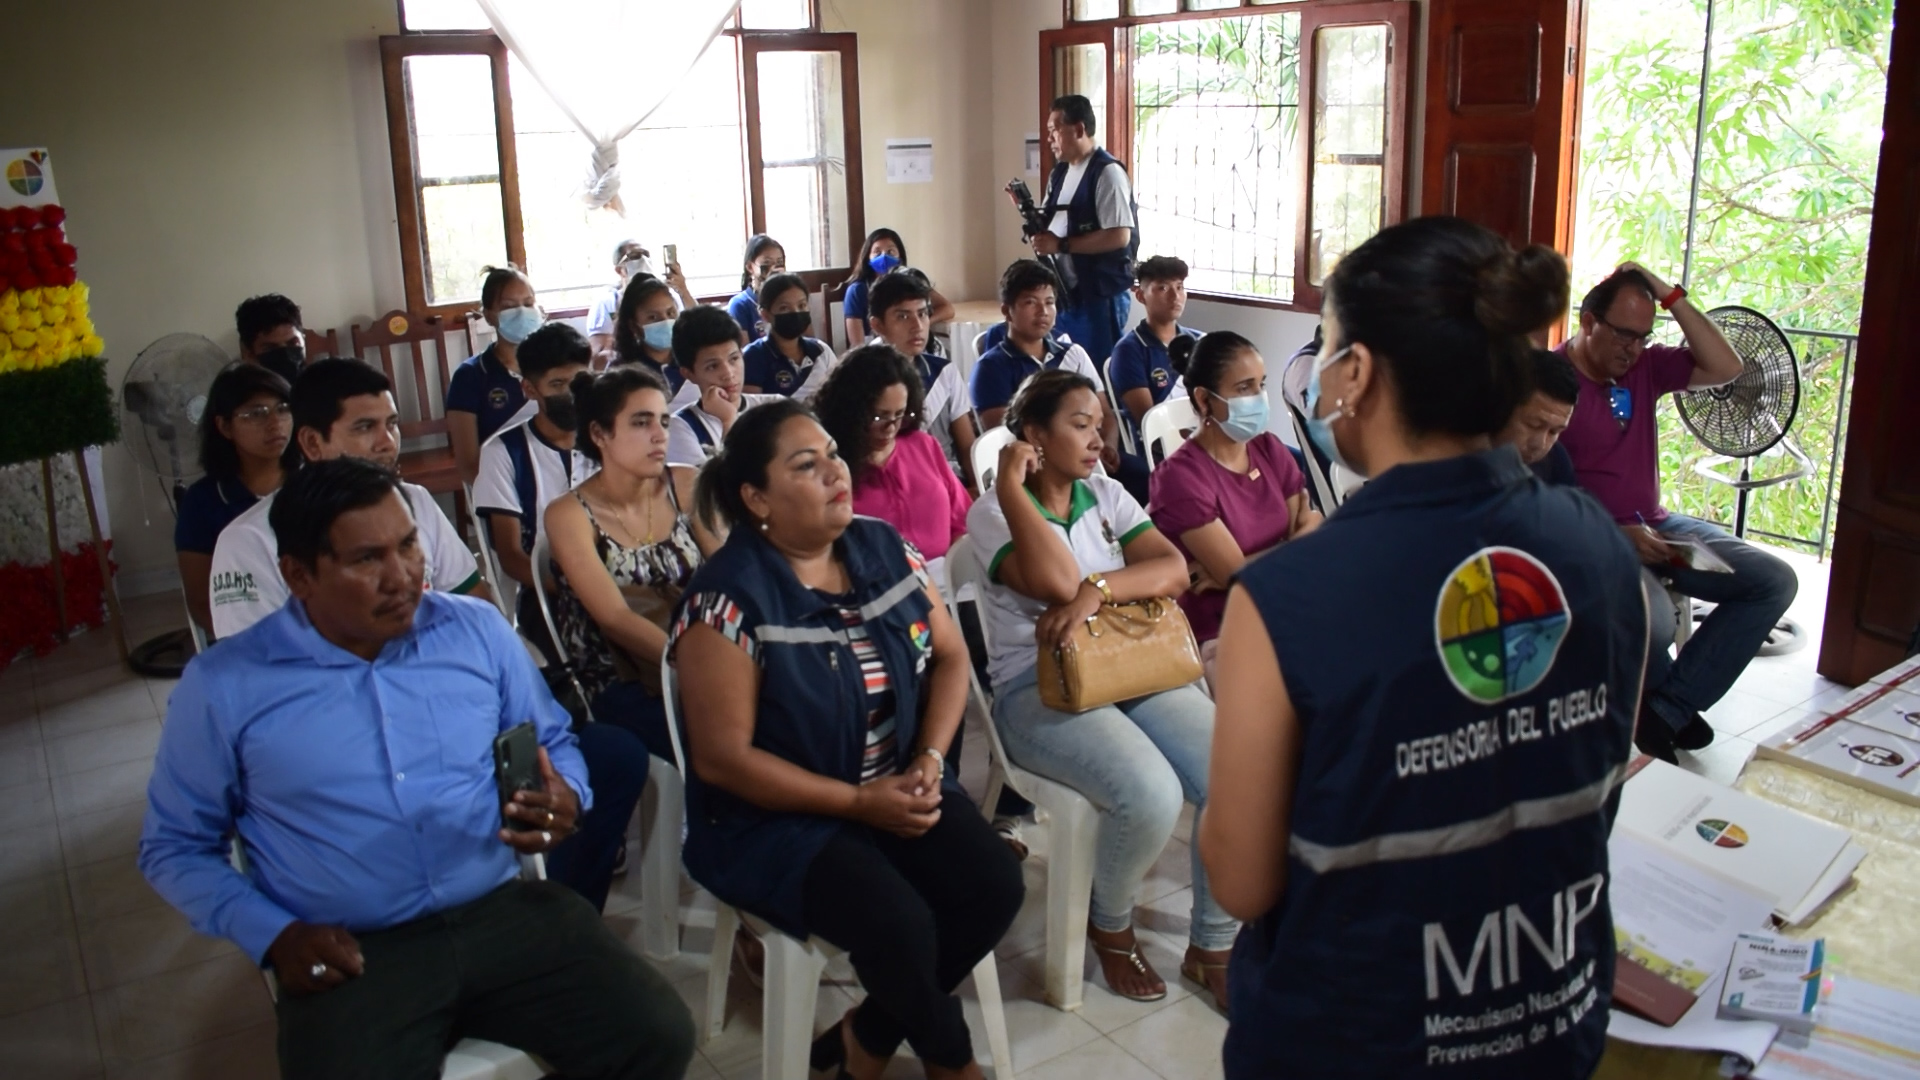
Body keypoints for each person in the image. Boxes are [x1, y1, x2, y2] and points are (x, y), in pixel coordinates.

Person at [1199, 216, 1647, 1079]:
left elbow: (1244, 885)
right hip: (1552, 1016)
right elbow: (1599, 770)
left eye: (1327, 347)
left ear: (1357, 373)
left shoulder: (1286, 597)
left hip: (1359, 1038)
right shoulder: (1596, 544)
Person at [141, 458, 695, 1080]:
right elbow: (174, 848)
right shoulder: (227, 686)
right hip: (354, 946)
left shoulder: (477, 631)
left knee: (658, 1035)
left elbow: (554, 739)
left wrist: (566, 790)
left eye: (409, 545)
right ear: (298, 574)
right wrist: (274, 934)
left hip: (498, 910)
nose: (402, 577)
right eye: (366, 559)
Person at [671, 400, 1024, 1080]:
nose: (835, 470)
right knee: (900, 922)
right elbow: (723, 758)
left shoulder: (883, 548)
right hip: (779, 819)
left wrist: (927, 759)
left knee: (994, 884)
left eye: (833, 453)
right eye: (806, 465)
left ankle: (867, 1032)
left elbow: (950, 658)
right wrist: (857, 804)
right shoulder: (727, 599)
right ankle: (952, 1061)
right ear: (756, 498)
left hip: (892, 780)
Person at [965, 369, 1231, 1007]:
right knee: (1150, 793)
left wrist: (1100, 589)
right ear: (1032, 435)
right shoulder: (991, 512)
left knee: (1232, 771)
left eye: (1099, 426)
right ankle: (1109, 926)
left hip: (1130, 664)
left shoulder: (1106, 493)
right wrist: (1009, 484)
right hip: (1037, 687)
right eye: (1079, 426)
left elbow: (1170, 569)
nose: (1096, 440)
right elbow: (1056, 583)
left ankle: (1213, 945)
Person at [1558, 263, 1796, 761]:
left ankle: (1665, 711)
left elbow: (1728, 369)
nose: (1633, 348)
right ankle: (1666, 711)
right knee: (1658, 624)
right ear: (1587, 321)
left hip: (1660, 529)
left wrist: (1670, 294)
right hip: (1595, 544)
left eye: (1643, 337)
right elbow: (1534, 496)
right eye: (1623, 334)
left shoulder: (1646, 368)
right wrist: (1617, 535)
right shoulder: (1552, 383)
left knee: (1773, 581)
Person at [210, 359, 486, 638]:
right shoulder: (249, 541)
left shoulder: (416, 502)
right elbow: (253, 669)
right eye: (365, 427)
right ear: (312, 443)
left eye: (391, 424)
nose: (387, 442)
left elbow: (475, 606)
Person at [1147, 331, 1319, 680]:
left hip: (1285, 608)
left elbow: (1312, 528)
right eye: (1244, 389)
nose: (1258, 398)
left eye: (1261, 385)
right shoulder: (1180, 479)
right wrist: (1297, 545)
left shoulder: (1269, 449)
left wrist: (1292, 546)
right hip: (1219, 634)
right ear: (1204, 400)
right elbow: (1237, 577)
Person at [473, 322, 597, 658]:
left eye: (578, 381)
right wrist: (583, 591)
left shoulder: (608, 437)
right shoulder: (504, 452)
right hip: (547, 594)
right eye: (557, 384)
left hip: (622, 578)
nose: (571, 394)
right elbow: (512, 556)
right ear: (529, 389)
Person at [814, 345, 971, 586]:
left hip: (948, 581)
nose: (891, 427)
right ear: (850, 411)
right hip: (875, 591)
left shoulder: (923, 445)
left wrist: (957, 570)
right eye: (879, 416)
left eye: (900, 415)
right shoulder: (831, 465)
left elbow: (962, 519)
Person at [968, 260, 1118, 471]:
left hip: (1090, 460)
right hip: (1037, 471)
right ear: (1007, 311)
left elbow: (1106, 414)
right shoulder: (990, 368)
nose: (1043, 311)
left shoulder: (1073, 354)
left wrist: (1108, 446)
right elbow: (1007, 437)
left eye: (1049, 302)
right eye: (1031, 302)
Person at [175, 364, 291, 636]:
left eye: (284, 408)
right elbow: (203, 604)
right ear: (225, 426)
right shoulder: (203, 501)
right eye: (257, 413)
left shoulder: (314, 481)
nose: (275, 423)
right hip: (249, 641)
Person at [1027, 94, 1138, 366]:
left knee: (1098, 370)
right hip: (1065, 293)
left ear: (1078, 129)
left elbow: (1119, 235)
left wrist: (1062, 246)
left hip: (1099, 295)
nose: (1050, 139)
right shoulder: (1060, 173)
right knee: (1064, 368)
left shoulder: (1107, 172)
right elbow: (1053, 222)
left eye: (1055, 130)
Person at [867, 270, 978, 486]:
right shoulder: (864, 378)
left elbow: (966, 447)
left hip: (949, 482)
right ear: (878, 326)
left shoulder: (945, 372)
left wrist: (976, 491)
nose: (917, 326)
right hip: (893, 485)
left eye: (923, 314)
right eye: (903, 316)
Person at [1107, 255, 1199, 498]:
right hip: (1161, 453)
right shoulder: (1130, 350)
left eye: (1179, 287)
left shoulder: (1199, 342)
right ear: (1140, 295)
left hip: (1205, 442)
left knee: (1285, 458)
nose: (1175, 295)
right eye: (1163, 288)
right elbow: (1151, 423)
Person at [448, 265, 543, 484]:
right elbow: (469, 466)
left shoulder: (554, 369)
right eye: (509, 306)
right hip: (499, 490)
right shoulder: (470, 376)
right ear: (489, 315)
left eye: (528, 304)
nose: (522, 312)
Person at [665, 305, 785, 470]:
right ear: (689, 374)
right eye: (713, 366)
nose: (728, 374)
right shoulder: (681, 427)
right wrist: (728, 421)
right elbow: (717, 491)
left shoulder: (774, 406)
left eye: (733, 359)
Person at [840, 228, 956, 344]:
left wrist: (923, 323)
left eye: (890, 252)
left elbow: (947, 308)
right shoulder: (857, 291)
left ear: (900, 257)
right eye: (877, 252)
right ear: (867, 258)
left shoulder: (911, 283)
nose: (884, 257)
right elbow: (858, 347)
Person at [588, 240, 693, 367]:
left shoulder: (668, 296)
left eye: (646, 254)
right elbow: (598, 356)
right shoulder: (607, 302)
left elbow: (698, 326)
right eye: (634, 256)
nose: (665, 321)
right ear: (619, 269)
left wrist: (683, 290)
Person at [741, 272, 837, 399]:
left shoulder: (821, 351)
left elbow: (840, 394)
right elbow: (751, 412)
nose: (796, 313)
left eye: (802, 305)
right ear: (765, 314)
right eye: (784, 308)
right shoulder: (753, 357)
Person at [1501, 347, 1580, 485]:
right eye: (1533, 425)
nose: (1539, 444)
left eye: (1554, 432)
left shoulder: (1556, 461)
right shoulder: (1462, 452)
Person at [611, 273, 692, 404]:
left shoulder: (692, 361)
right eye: (653, 317)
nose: (666, 321)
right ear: (634, 326)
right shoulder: (621, 371)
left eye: (671, 313)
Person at [236, 293, 308, 384]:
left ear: (304, 340)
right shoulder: (237, 395)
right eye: (271, 348)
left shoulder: (321, 387)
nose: (286, 357)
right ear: (248, 353)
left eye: (293, 343)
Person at [726, 234, 785, 342]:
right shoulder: (739, 305)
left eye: (779, 262)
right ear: (750, 267)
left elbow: (809, 341)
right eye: (767, 262)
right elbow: (744, 353)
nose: (774, 268)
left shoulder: (788, 298)